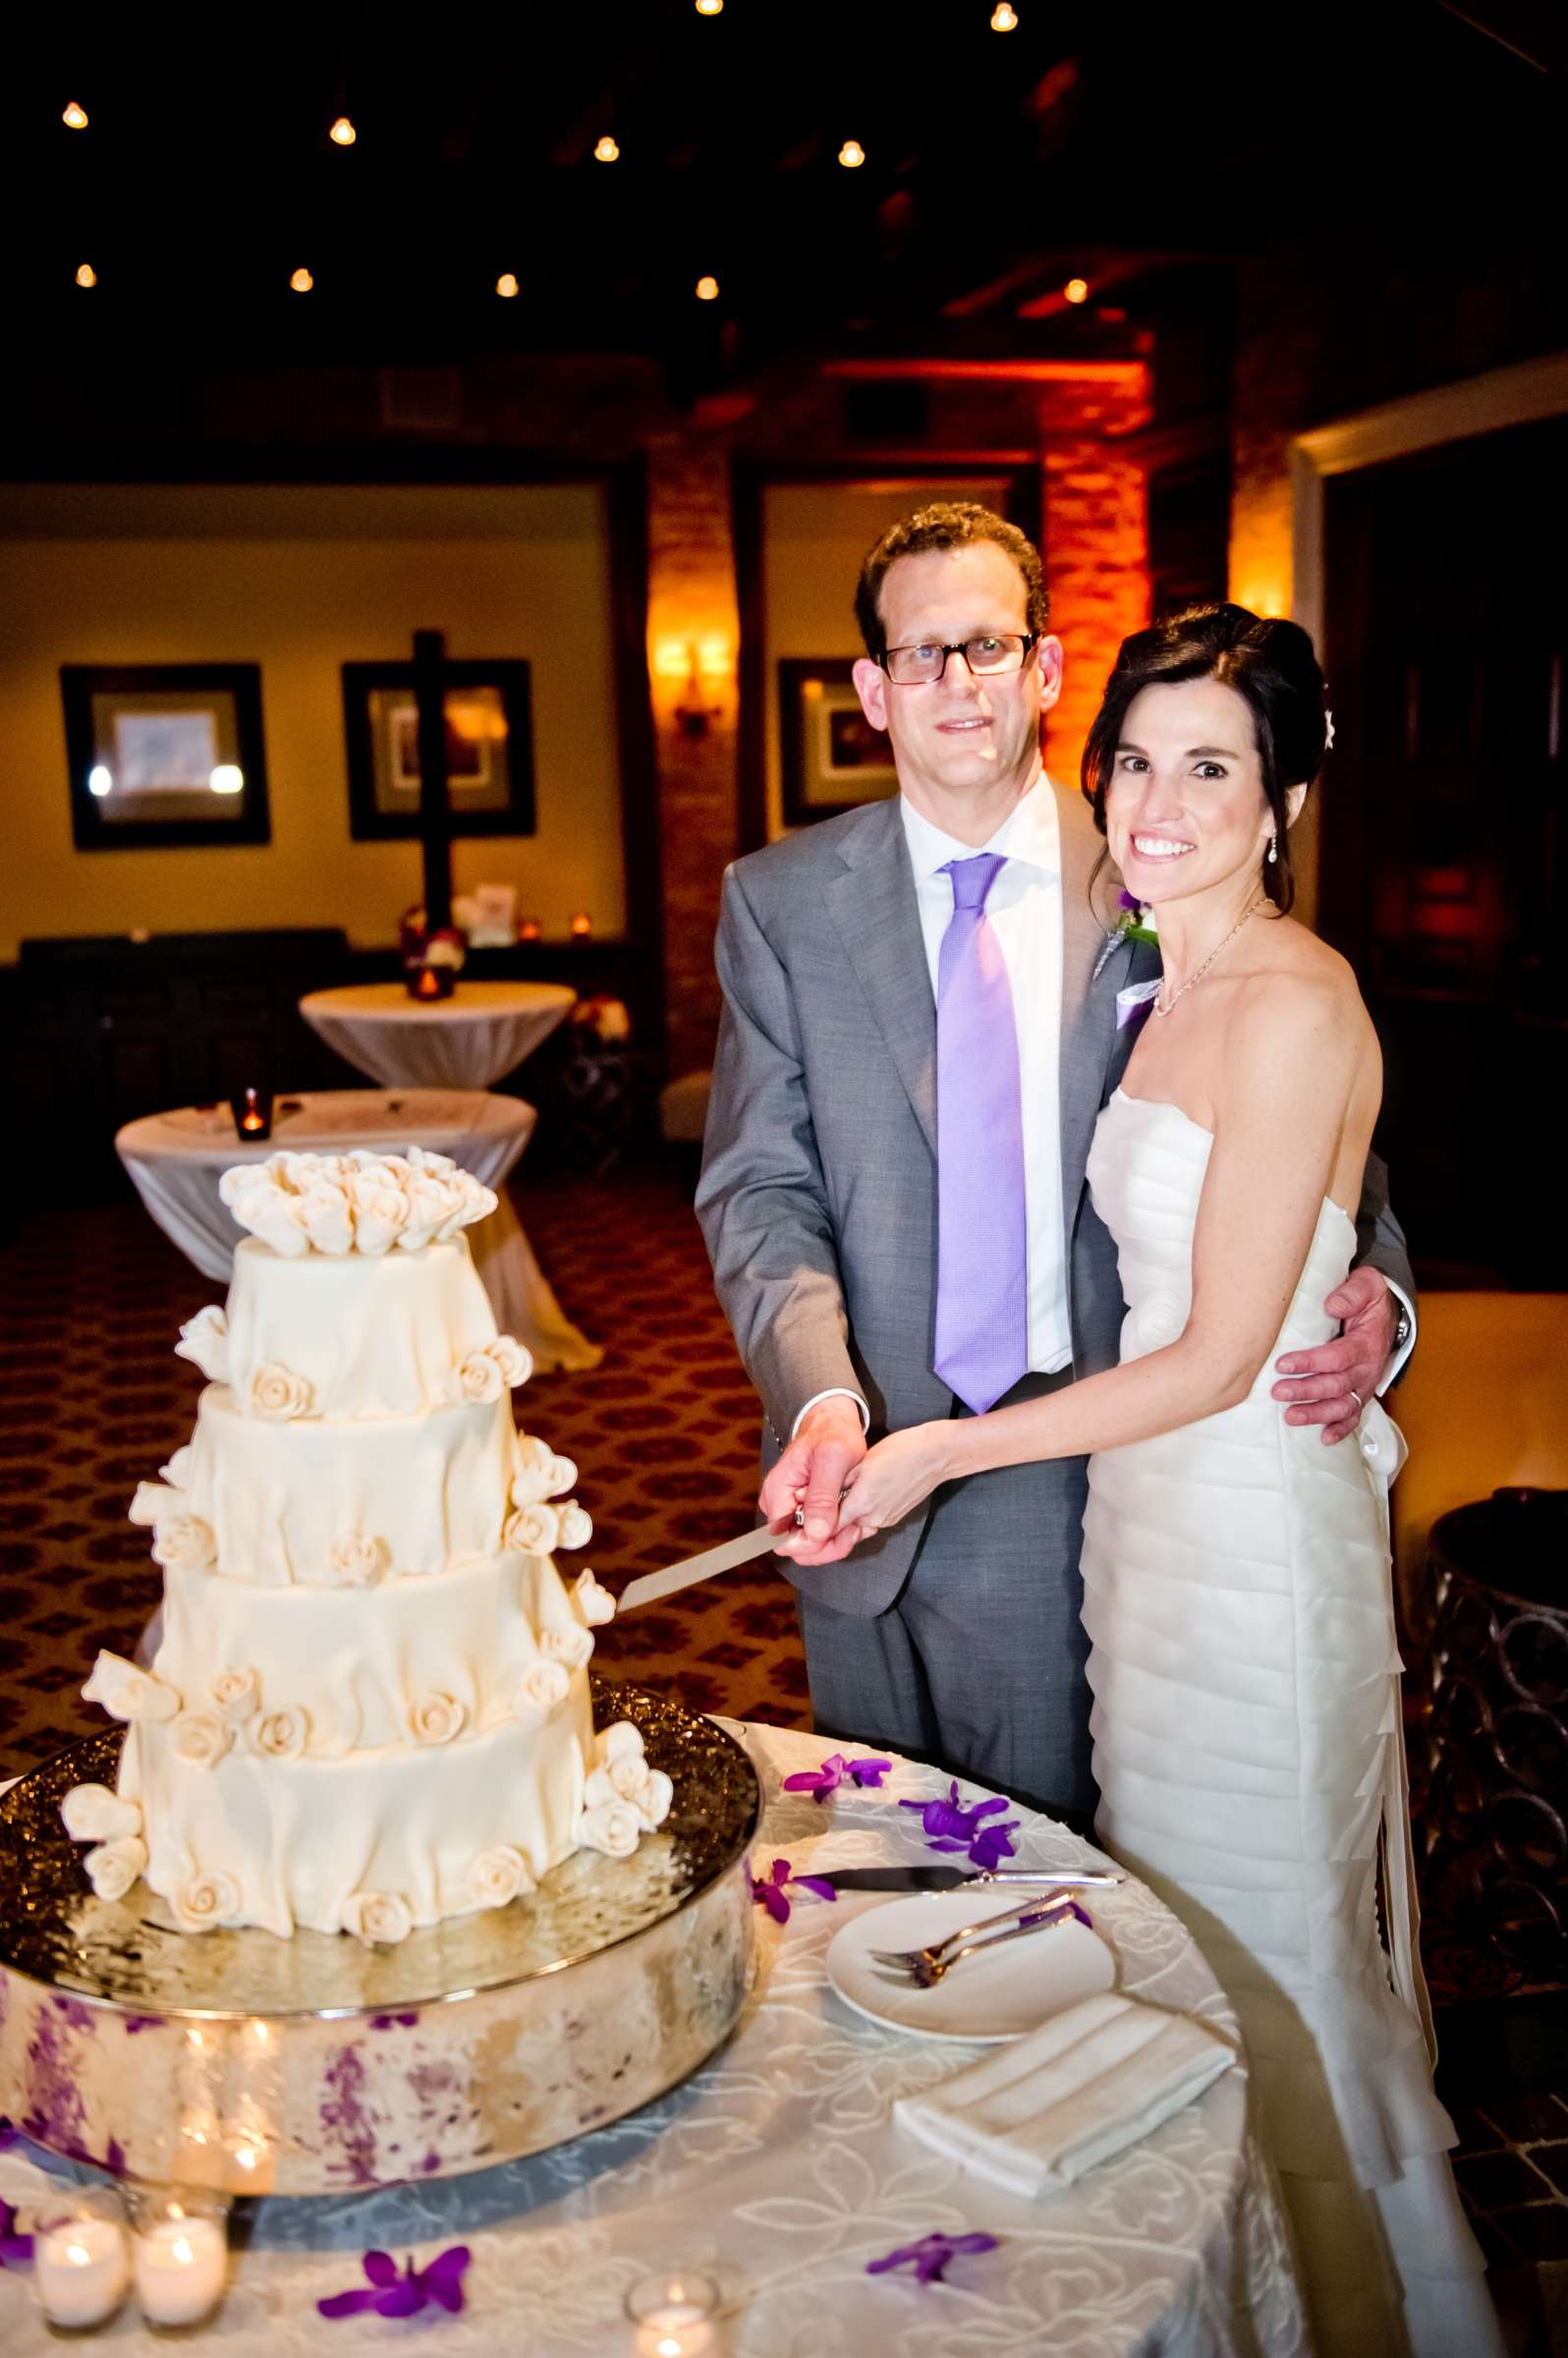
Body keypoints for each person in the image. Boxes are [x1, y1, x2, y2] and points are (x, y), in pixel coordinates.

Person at [812, 602, 1500, 2357]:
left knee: (1278, 1966)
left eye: (1211, 766)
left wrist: (945, 1450)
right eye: (1134, 760)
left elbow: (1213, 1352)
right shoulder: (1151, 984)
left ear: (1279, 801)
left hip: (1258, 1546)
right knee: (1184, 1946)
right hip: (1141, 1543)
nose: (1157, 800)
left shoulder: (1295, 996)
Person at [697, 501, 1413, 1825]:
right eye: (922, 654)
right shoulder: (779, 903)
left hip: (1088, 1481)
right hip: (849, 1480)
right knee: (874, 1887)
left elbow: (1325, 1150)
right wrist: (819, 1402)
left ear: (1045, 668)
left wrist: (1379, 1289)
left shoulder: (1158, 875)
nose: (956, 683)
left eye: (986, 645)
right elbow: (758, 1187)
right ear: (871, 689)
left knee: (1061, 1921)